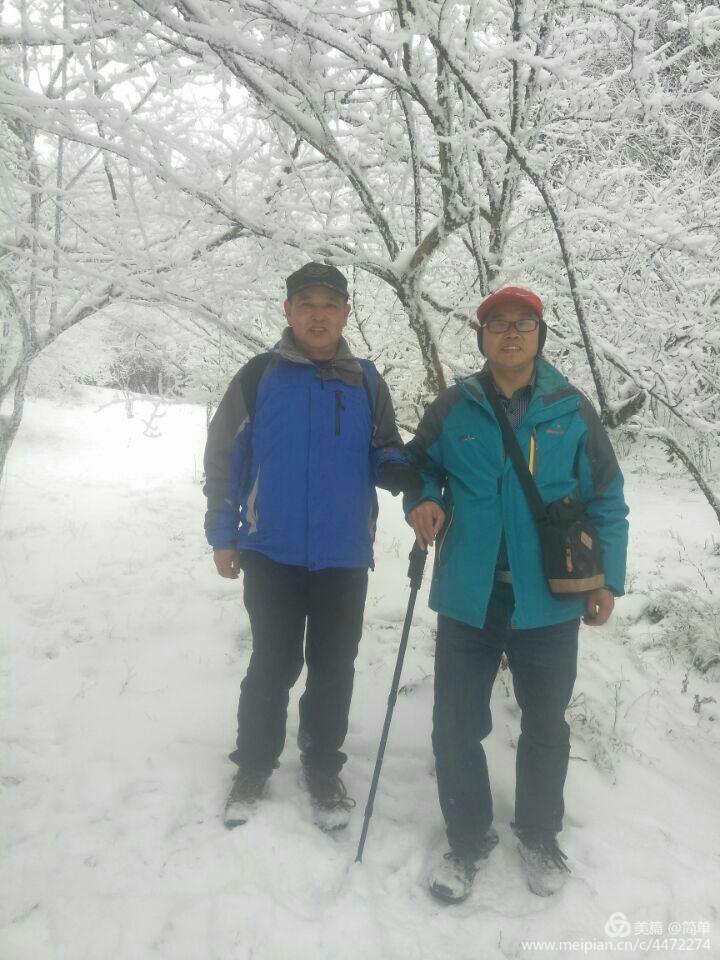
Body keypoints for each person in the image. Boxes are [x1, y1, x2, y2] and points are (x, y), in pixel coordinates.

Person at [405, 286, 629, 901]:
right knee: (454, 725)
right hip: (469, 595)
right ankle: (468, 837)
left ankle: (538, 835)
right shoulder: (455, 405)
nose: (510, 333)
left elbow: (606, 495)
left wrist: (609, 578)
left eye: (523, 324)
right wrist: (422, 496)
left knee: (546, 725)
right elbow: (420, 464)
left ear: (539, 335)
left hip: (550, 599)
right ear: (481, 337)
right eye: (497, 323)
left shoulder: (571, 409)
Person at [203, 262, 419, 832]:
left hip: (344, 555)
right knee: (271, 663)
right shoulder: (258, 377)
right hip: (270, 552)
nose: (318, 315)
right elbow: (226, 458)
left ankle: (323, 767)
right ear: (288, 311)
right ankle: (253, 764)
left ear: (347, 313)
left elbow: (385, 447)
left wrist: (401, 471)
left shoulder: (366, 380)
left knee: (333, 668)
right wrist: (223, 533)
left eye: (330, 304)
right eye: (306, 304)